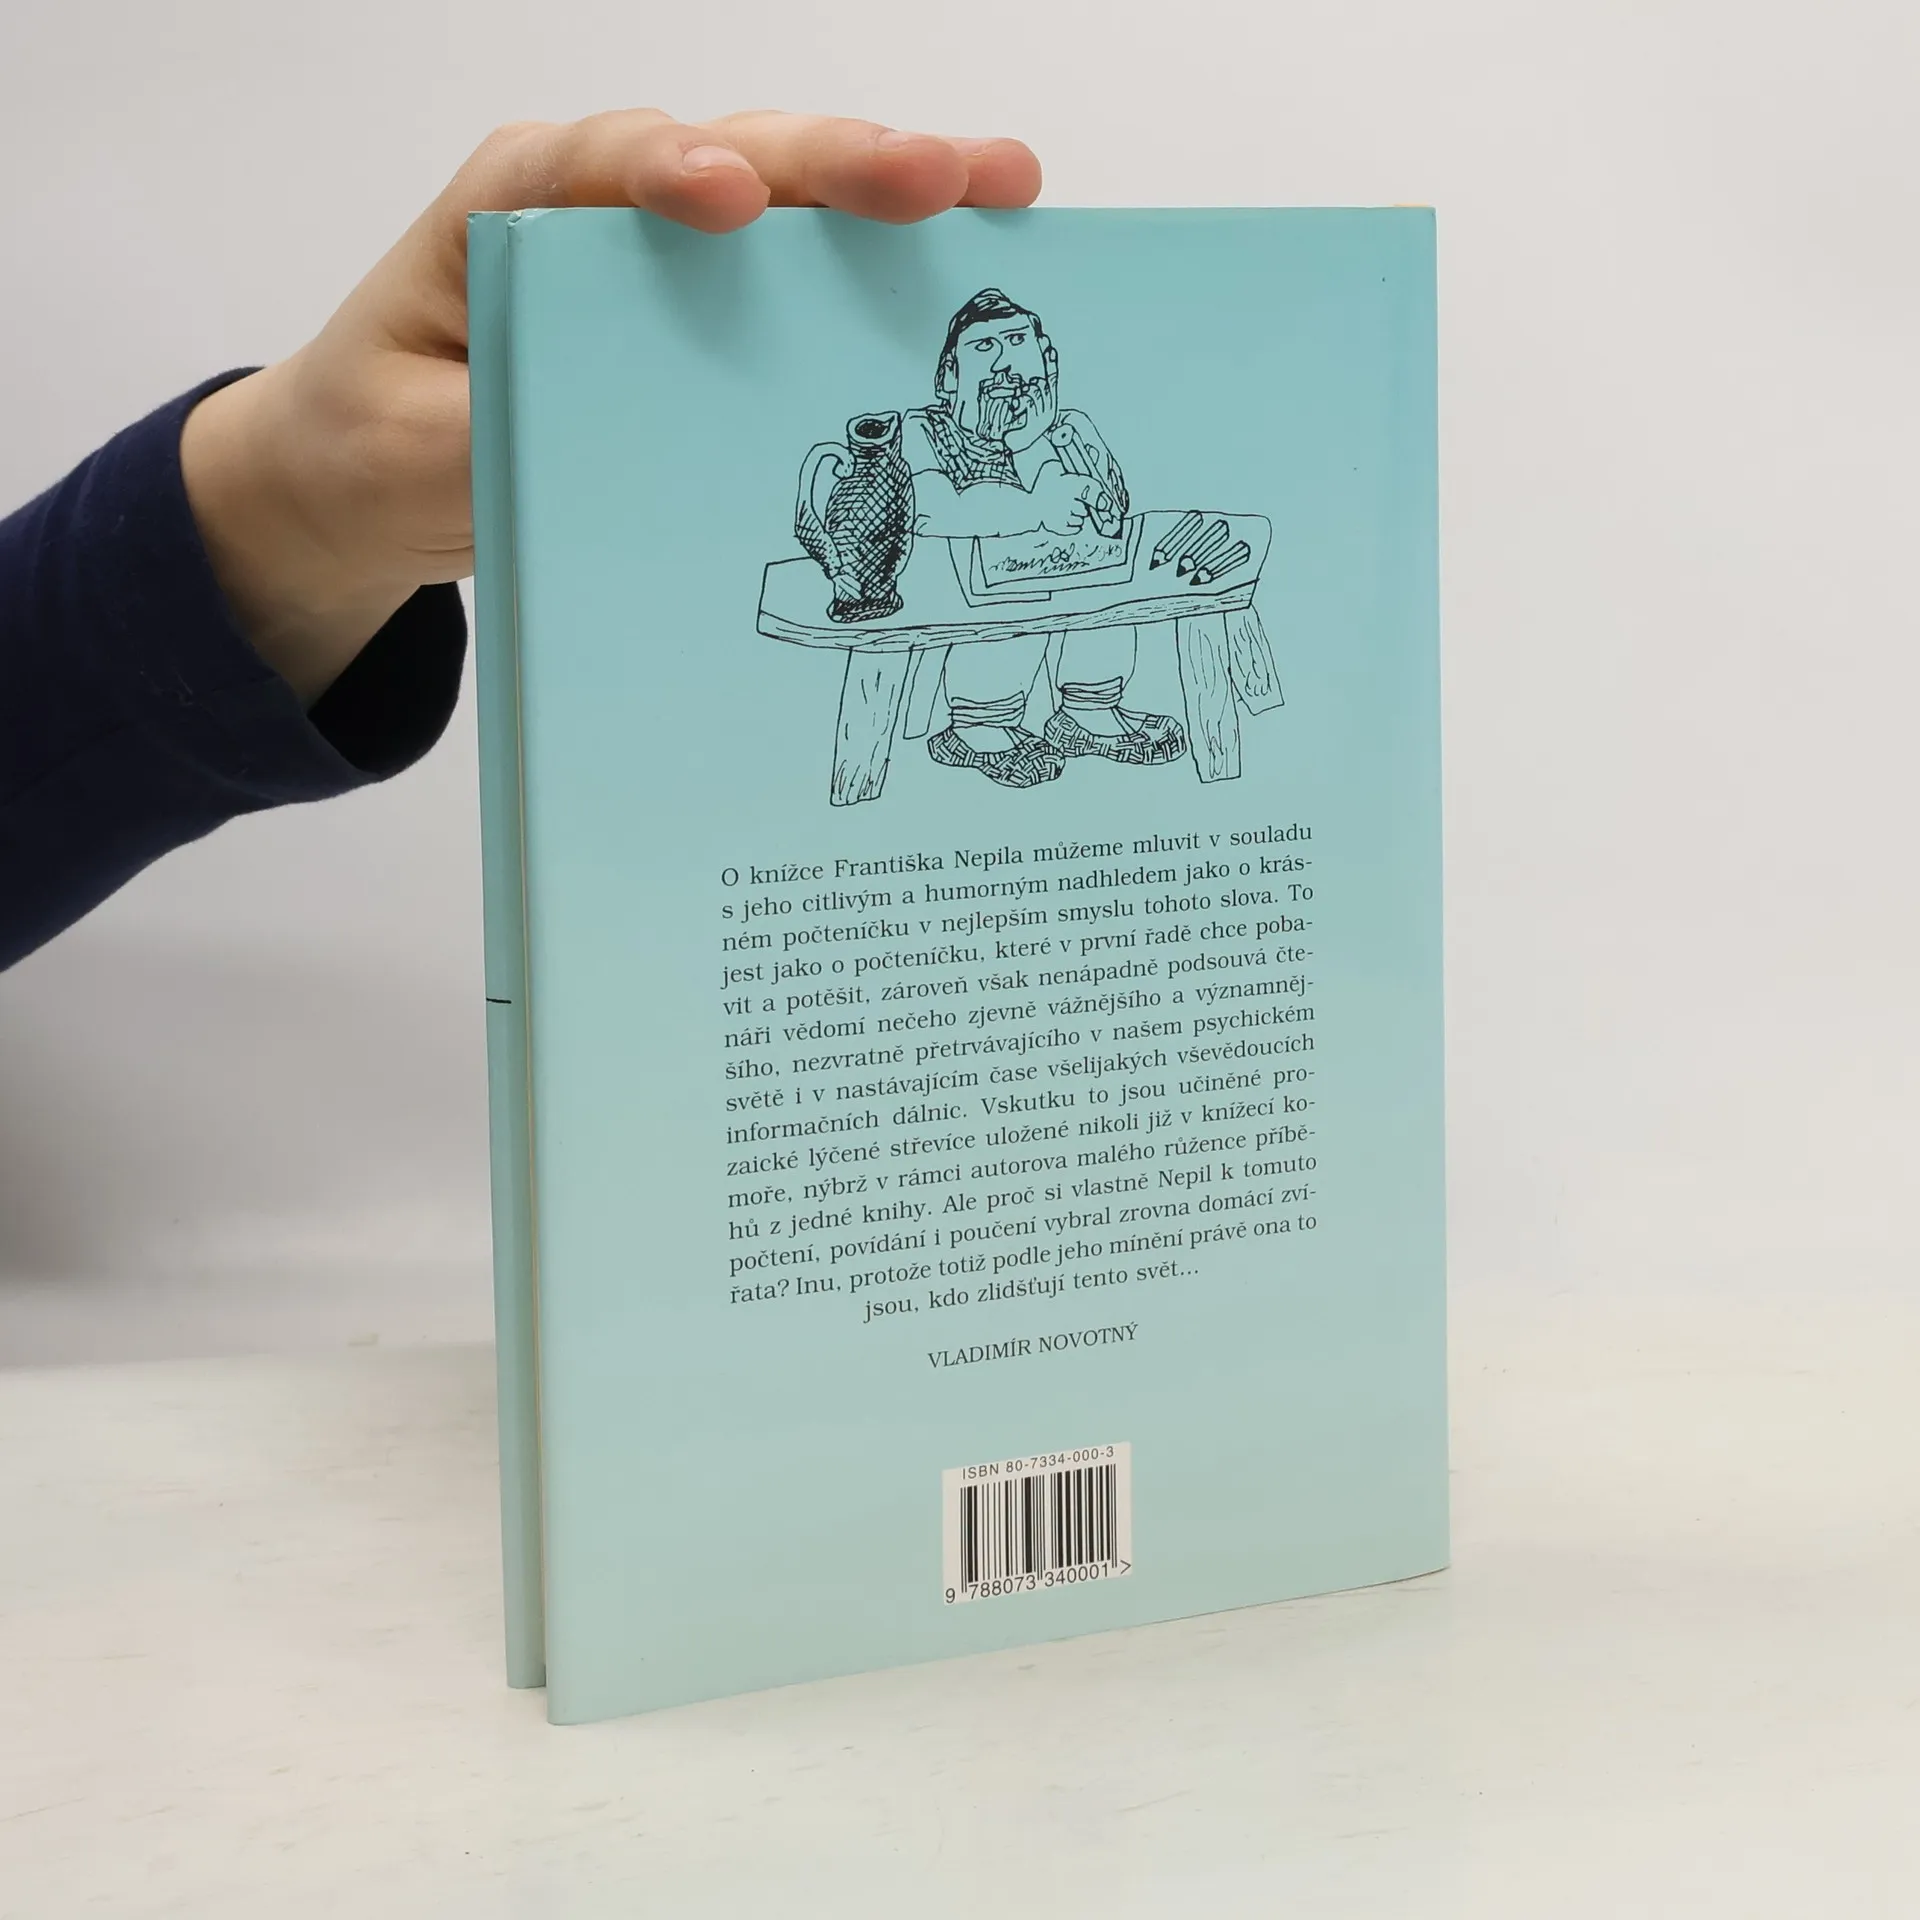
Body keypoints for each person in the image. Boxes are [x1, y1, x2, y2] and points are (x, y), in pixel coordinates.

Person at [0, 111, 1042, 971]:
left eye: (1022, 351)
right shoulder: (913, 445)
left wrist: (285, 516)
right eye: (987, 356)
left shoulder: (1046, 435)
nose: (1010, 374)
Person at [903, 288, 1188, 788]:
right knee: (1009, 608)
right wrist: (1033, 508)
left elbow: (1113, 510)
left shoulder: (1065, 428)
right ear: (949, 376)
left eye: (1017, 342)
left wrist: (1036, 442)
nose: (1004, 365)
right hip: (963, 598)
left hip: (1064, 579)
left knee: (1104, 587)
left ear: (1046, 358)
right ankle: (980, 725)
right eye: (984, 348)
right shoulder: (924, 431)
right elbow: (930, 509)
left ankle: (1090, 709)